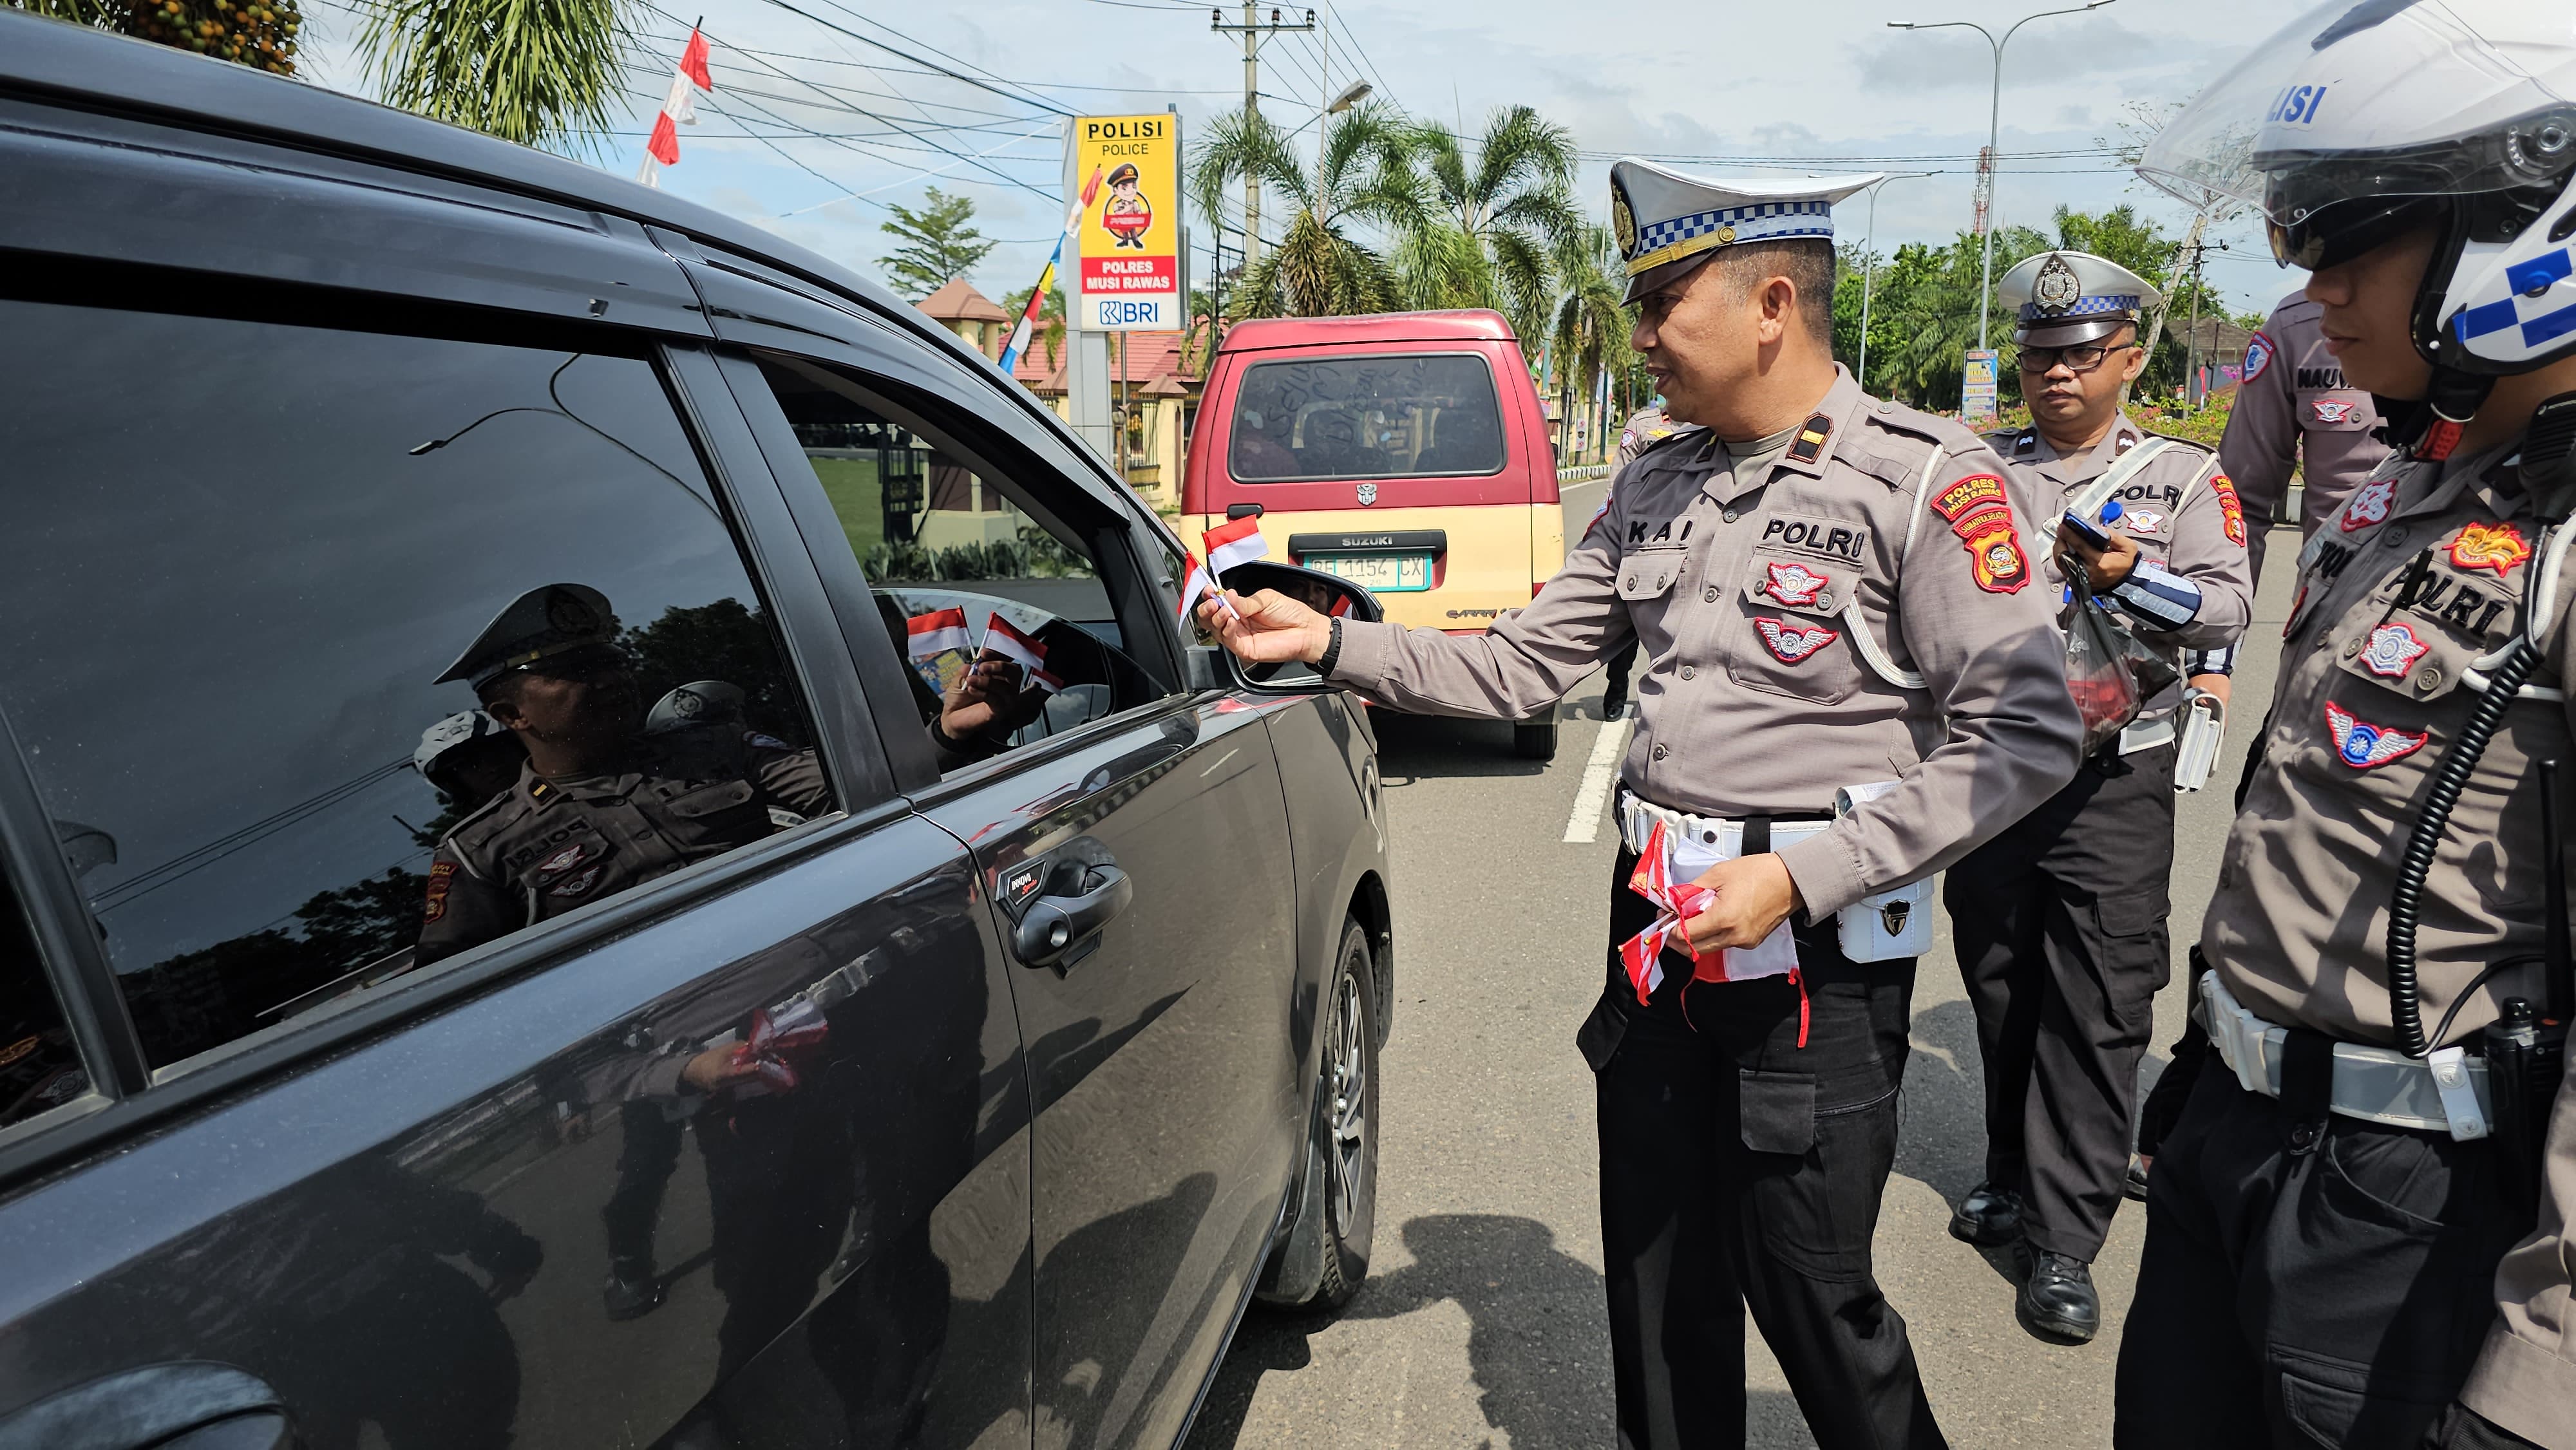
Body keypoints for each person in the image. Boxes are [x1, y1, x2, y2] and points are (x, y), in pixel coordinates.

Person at [1200, 158, 2085, 1450]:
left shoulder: (1921, 483)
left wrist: (1804, 876)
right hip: (1658, 928)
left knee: (1806, 1283)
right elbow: (1515, 665)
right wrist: (1329, 643)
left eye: (1663, 301)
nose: (1639, 335)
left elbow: (2024, 735)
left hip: (1810, 956)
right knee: (1658, 1275)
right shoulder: (1655, 483)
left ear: (1768, 301)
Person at [2117, 6, 2576, 1445]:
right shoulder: (2424, 490)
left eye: (2345, 239)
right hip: (2236, 1139)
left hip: (2402, 1201)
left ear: (2526, 233)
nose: (2308, 285)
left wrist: (2539, 1372)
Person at [1942, 249, 2253, 1344]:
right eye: (2039, 354)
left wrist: (2133, 575)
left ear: (2129, 358)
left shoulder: (2182, 477)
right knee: (2002, 983)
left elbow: (2224, 608)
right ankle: (2008, 1171)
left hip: (2115, 777)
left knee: (2102, 1001)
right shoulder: (1981, 470)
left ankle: (2064, 1239)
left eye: (2080, 354)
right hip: (1992, 773)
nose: (2056, 373)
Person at [412, 582, 833, 971]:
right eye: (579, 670)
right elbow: (468, 1017)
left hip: (831, 955)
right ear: (511, 715)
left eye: (612, 662)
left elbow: (857, 788)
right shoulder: (479, 854)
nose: (611, 679)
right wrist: (672, 1058)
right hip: (689, 1039)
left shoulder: (720, 746)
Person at [2220, 287, 2391, 591]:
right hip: (2332, 601)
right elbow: (2240, 503)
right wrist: (2223, 628)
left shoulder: (2494, 310)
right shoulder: (2298, 323)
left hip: (2466, 608)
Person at [1596, 402, 1705, 718]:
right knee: (1628, 624)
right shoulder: (1645, 424)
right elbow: (1619, 481)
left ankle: (1671, 705)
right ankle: (1616, 689)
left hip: (1689, 538)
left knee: (1679, 628)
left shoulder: (1708, 425)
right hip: (1643, 541)